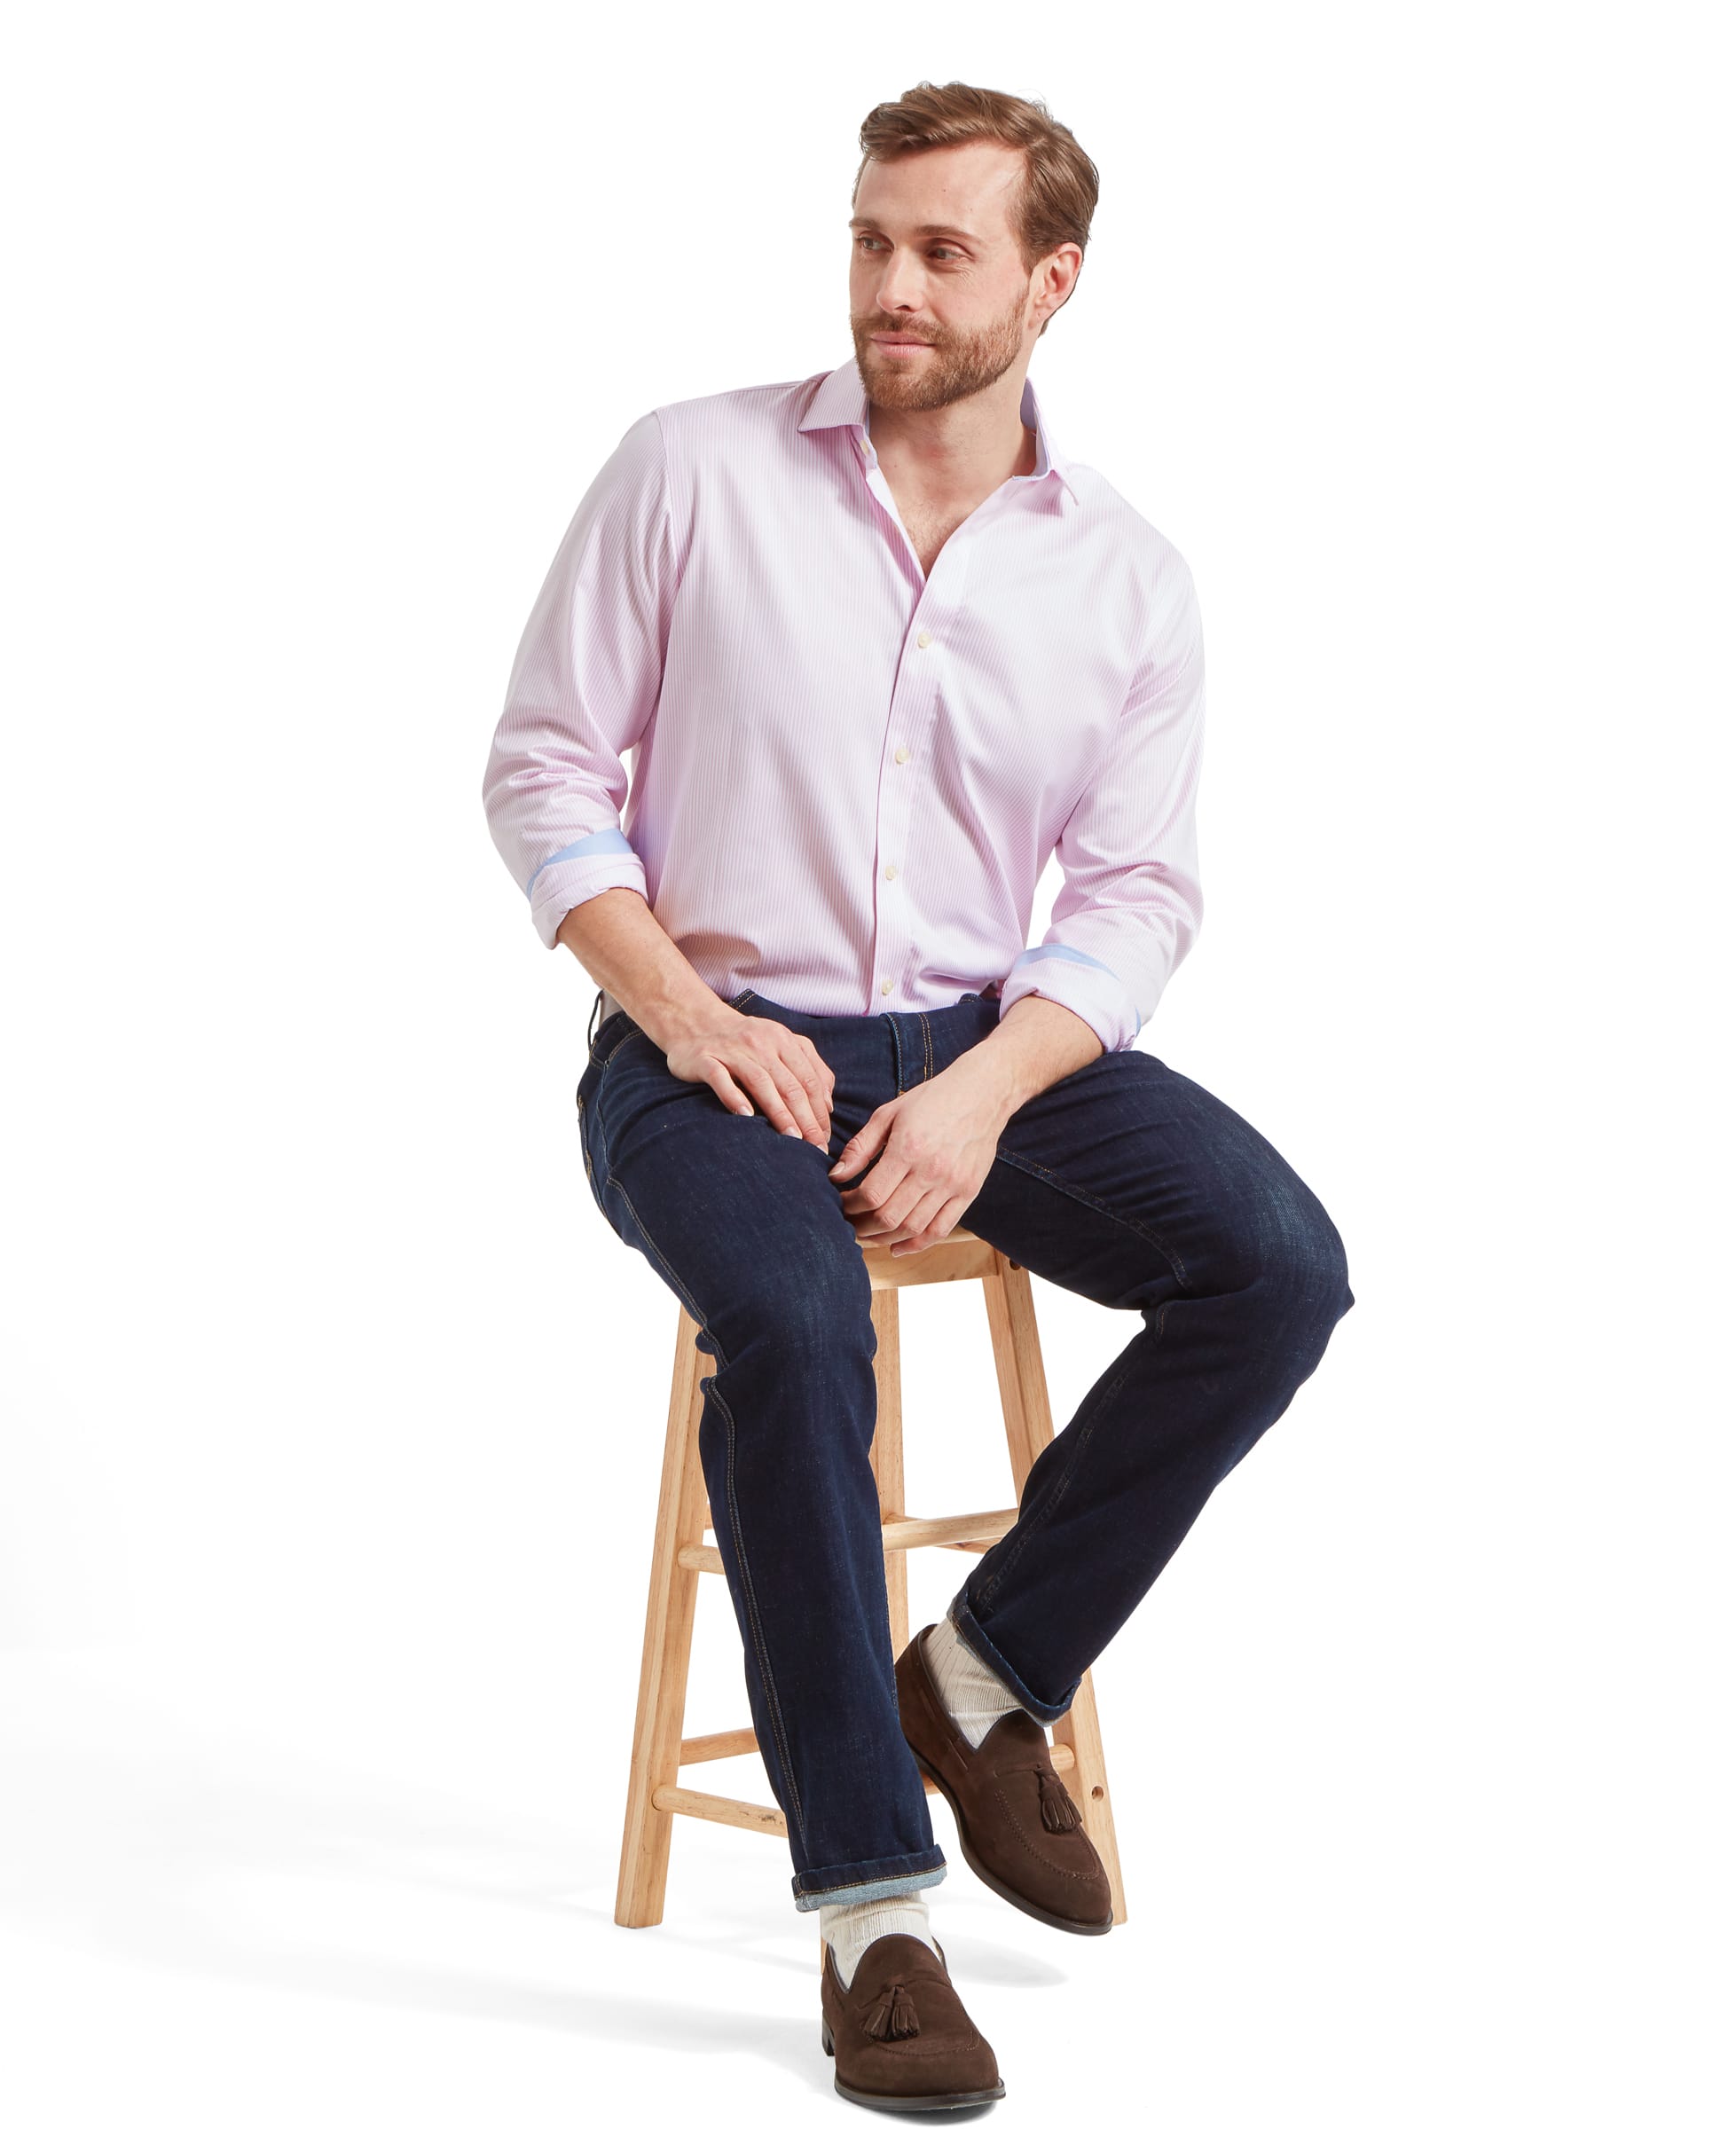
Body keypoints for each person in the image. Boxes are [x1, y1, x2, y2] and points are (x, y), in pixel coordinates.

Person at [483, 77, 1354, 2114]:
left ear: (1052, 284)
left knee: (1280, 1269)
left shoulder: (1124, 577)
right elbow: (541, 767)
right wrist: (674, 1007)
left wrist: (980, 1092)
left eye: (941, 251)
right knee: (789, 1321)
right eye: (871, 239)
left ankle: (979, 1676)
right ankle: (874, 1911)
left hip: (990, 1042)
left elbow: (1134, 899)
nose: (890, 285)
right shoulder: (687, 471)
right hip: (712, 1046)